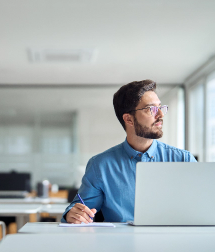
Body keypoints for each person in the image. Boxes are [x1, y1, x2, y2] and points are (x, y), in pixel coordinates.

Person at [61, 79, 196, 224]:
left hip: (175, 244)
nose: (161, 115)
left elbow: (207, 204)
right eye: (152, 109)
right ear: (129, 119)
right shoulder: (100, 166)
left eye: (160, 108)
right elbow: (80, 210)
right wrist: (73, 214)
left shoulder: (183, 159)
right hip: (122, 245)